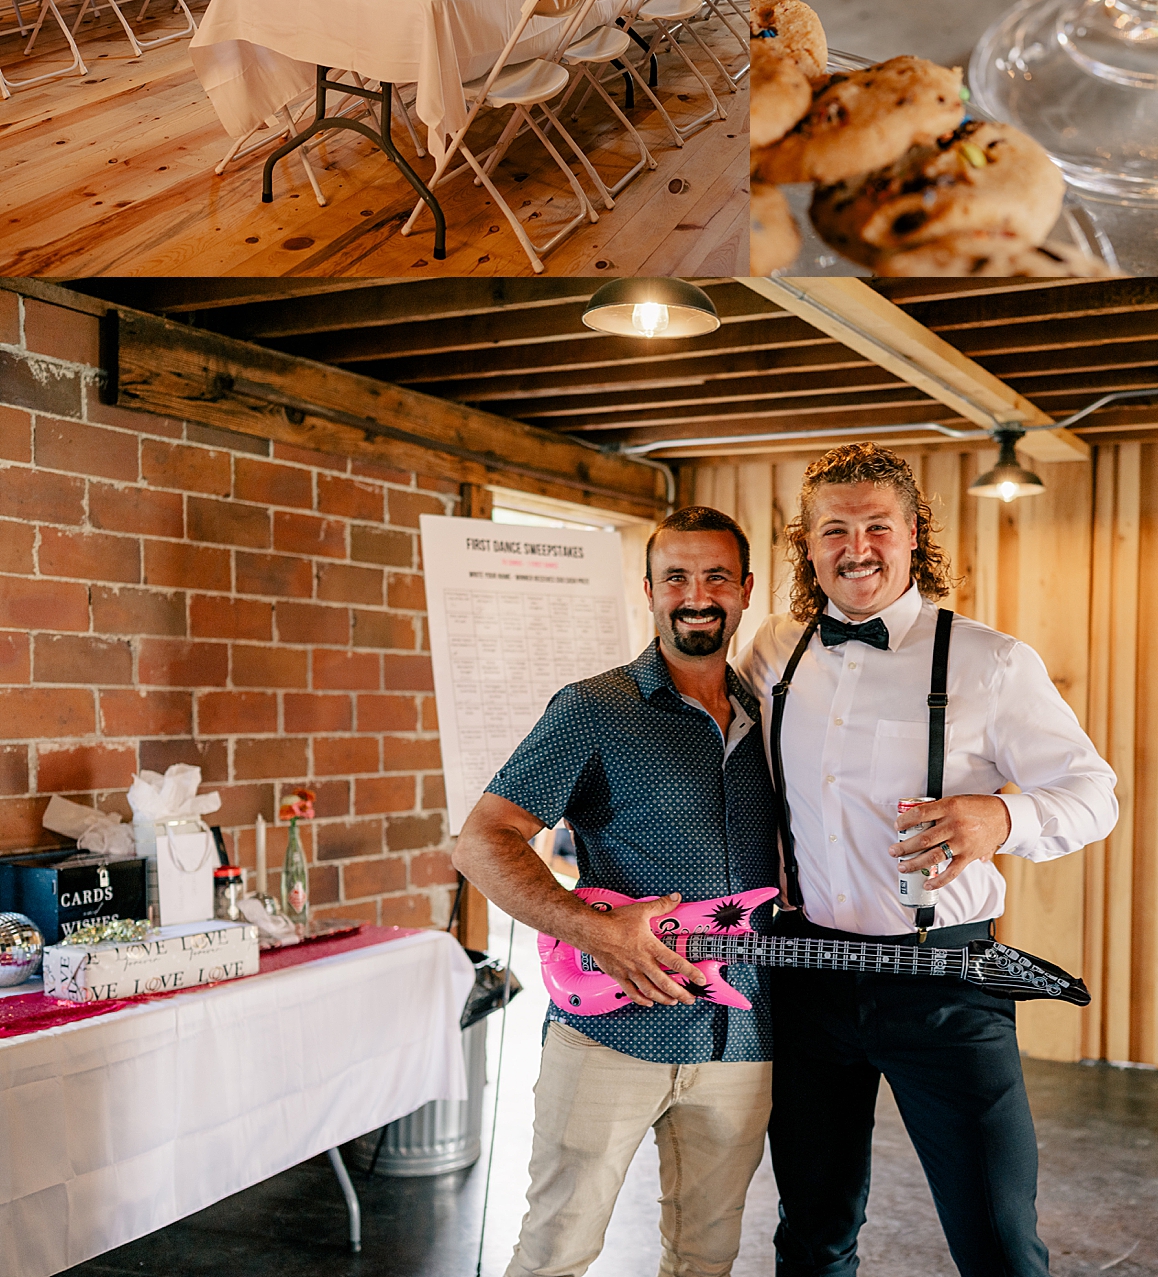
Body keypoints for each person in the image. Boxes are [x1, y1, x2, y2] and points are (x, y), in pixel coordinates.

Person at [742, 443, 1118, 1277]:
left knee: (997, 1240)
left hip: (945, 980)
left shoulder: (992, 661)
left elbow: (1096, 793)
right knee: (811, 1232)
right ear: (807, 544)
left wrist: (1003, 816)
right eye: (834, 528)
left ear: (914, 534)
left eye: (878, 524)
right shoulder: (773, 651)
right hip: (807, 977)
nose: (857, 546)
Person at [452, 505, 779, 1277]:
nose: (696, 593)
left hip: (742, 1040)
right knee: (555, 1253)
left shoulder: (775, 716)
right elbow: (482, 840)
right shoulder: (593, 707)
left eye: (716, 576)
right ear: (649, 589)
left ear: (745, 590)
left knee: (707, 1257)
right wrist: (595, 930)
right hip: (611, 1033)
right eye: (676, 577)